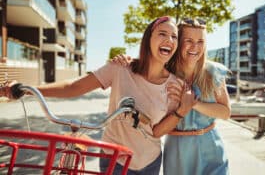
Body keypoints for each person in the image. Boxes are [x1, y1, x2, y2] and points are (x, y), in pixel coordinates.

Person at [0, 16, 181, 175]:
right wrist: (26, 89)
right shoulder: (121, 68)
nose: (169, 40)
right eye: (162, 34)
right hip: (115, 158)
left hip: (151, 161)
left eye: (174, 36)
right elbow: (73, 87)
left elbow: (160, 130)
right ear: (148, 38)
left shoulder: (175, 85)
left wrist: (184, 108)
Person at [111, 17, 231, 175]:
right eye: (188, 40)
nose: (195, 47)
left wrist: (192, 103)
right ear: (178, 42)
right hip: (178, 153)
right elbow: (144, 65)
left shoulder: (213, 72)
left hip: (212, 149)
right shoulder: (165, 72)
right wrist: (125, 61)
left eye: (200, 41)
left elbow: (225, 112)